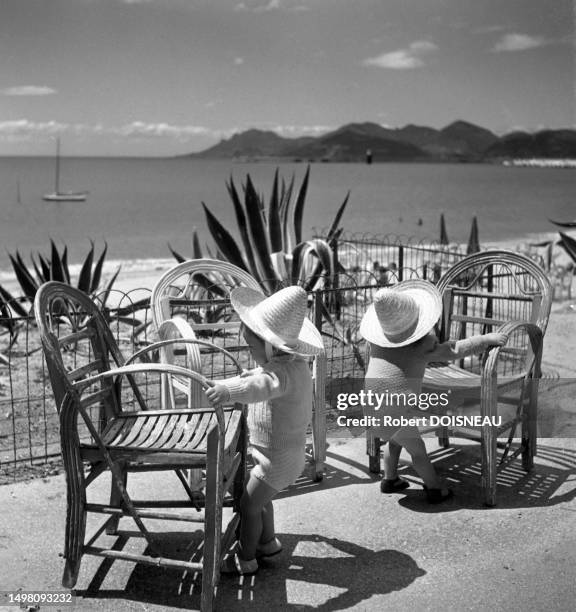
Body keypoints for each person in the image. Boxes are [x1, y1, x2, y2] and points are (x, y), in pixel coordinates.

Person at [205, 285, 324, 574]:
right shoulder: (291, 365)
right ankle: (268, 543)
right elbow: (258, 376)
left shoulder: (279, 374)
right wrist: (236, 382)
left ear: (271, 346)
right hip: (279, 455)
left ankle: (245, 559)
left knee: (248, 507)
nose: (250, 352)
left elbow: (258, 385)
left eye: (252, 347)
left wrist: (227, 390)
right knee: (261, 501)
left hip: (277, 460)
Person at [360, 280, 507, 503]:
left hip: (370, 409)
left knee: (395, 439)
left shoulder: (377, 344)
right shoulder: (421, 346)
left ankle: (390, 479)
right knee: (417, 451)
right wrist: (485, 339)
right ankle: (434, 488)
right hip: (396, 412)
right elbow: (455, 349)